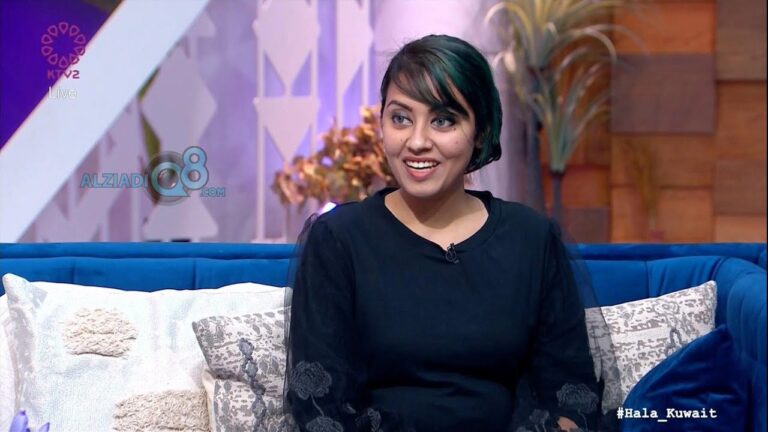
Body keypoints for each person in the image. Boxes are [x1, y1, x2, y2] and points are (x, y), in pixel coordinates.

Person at [284, 34, 607, 432]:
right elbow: (320, 407)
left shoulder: (532, 238)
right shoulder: (338, 239)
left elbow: (571, 395)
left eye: (443, 120)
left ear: (480, 130)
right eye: (400, 118)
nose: (417, 142)